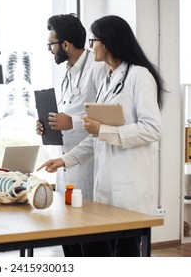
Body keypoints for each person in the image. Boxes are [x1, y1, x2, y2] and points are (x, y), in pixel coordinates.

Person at [38, 15, 164, 257]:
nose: (90, 45)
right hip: (105, 184)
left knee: (125, 254)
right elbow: (96, 136)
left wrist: (103, 130)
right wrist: (65, 160)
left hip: (129, 184)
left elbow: (152, 129)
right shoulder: (109, 80)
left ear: (107, 43)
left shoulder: (139, 75)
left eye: (93, 40)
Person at [37, 14, 106, 257]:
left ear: (65, 45)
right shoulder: (68, 72)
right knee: (70, 239)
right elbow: (70, 114)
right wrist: (50, 124)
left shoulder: (97, 70)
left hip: (88, 165)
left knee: (92, 243)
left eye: (51, 45)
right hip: (66, 163)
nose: (50, 50)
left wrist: (71, 122)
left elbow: (105, 119)